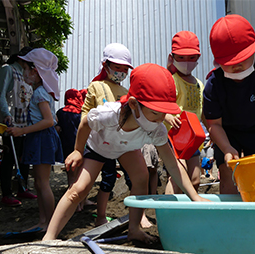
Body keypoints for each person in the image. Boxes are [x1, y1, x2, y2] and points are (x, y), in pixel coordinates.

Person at [42, 63, 210, 244]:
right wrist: (77, 150)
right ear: (134, 105)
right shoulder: (108, 115)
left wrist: (195, 197)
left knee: (141, 178)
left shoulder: (156, 128)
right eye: (156, 113)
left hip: (126, 148)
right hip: (99, 147)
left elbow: (172, 163)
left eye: (165, 113)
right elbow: (85, 124)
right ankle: (48, 237)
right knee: (78, 190)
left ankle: (134, 230)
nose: (161, 119)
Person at [203, 14, 255, 194]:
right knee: (228, 172)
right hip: (227, 132)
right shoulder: (213, 84)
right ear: (218, 60)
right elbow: (214, 124)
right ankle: (232, 217)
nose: (237, 66)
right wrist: (225, 148)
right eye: (231, 62)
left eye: (243, 59)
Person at [6, 48, 63, 232]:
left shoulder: (39, 93)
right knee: (38, 183)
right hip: (39, 138)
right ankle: (43, 221)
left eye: (25, 68)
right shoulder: (40, 91)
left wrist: (22, 130)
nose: (23, 73)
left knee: (43, 182)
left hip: (42, 138)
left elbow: (48, 121)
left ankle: (51, 224)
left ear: (35, 70)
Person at [81, 42, 134, 226]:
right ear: (106, 65)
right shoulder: (96, 86)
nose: (121, 72)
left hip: (121, 143)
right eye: (117, 67)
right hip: (99, 143)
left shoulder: (127, 92)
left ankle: (131, 216)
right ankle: (96, 214)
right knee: (96, 181)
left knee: (123, 179)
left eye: (124, 69)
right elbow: (85, 113)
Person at [0, 46, 37, 206]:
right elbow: (2, 94)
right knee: (9, 158)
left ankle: (22, 187)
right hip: (12, 121)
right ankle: (6, 193)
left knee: (24, 157)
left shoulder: (26, 75)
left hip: (25, 122)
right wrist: (6, 114)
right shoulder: (8, 70)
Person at [164, 31, 204, 194]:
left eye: (191, 58)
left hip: (193, 138)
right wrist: (167, 116)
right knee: (177, 177)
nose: (186, 62)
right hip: (174, 136)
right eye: (181, 57)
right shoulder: (171, 80)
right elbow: (161, 105)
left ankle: (184, 210)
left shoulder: (199, 84)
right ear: (172, 57)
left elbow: (204, 111)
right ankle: (167, 213)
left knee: (195, 178)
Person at [55, 89, 84, 190]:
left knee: (70, 173)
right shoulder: (82, 113)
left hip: (66, 145)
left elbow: (57, 129)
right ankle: (81, 202)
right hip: (80, 146)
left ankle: (71, 192)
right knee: (80, 173)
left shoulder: (60, 112)